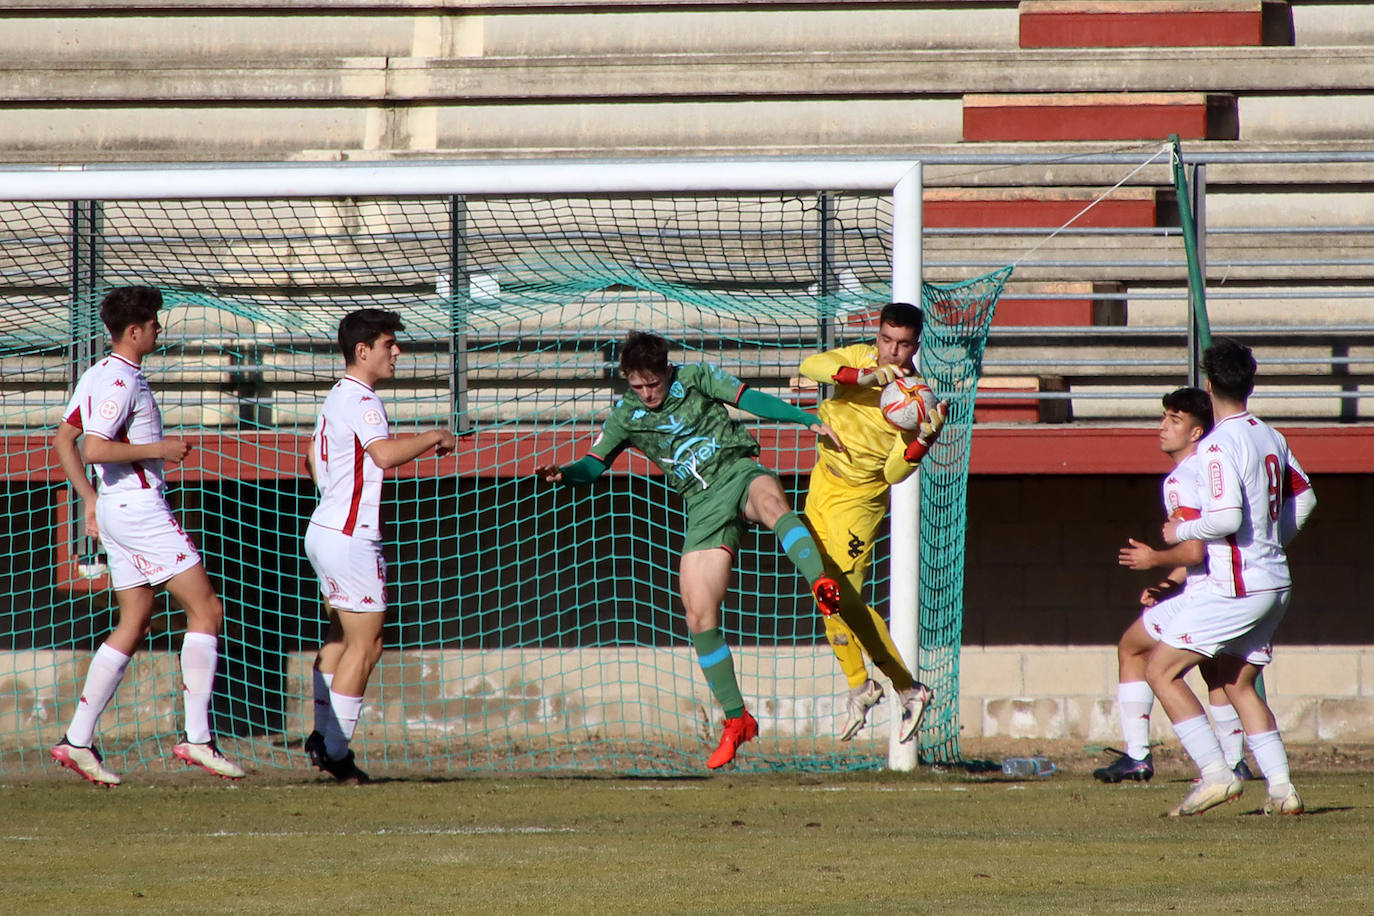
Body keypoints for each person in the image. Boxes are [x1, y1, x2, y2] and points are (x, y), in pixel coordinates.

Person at [535, 331, 845, 769]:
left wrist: (804, 418)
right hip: (702, 507)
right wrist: (564, 474)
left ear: (667, 371)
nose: (645, 394)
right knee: (698, 613)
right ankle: (737, 720)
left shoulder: (697, 377)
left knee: (773, 505)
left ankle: (820, 583)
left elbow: (749, 398)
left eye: (652, 385)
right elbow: (593, 465)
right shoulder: (626, 416)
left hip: (738, 471)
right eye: (636, 386)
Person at [50, 285, 244, 785]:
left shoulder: (97, 373)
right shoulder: (120, 380)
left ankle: (77, 739)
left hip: (117, 510)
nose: (160, 328)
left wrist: (91, 501)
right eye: (155, 322)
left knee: (135, 620)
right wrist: (163, 447)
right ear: (133, 332)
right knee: (206, 610)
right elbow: (92, 448)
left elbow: (63, 439)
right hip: (140, 511)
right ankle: (197, 738)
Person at [1145, 338, 1316, 817]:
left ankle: (1217, 773)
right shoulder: (1271, 435)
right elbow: (1307, 498)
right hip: (1275, 581)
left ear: (1210, 384)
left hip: (1239, 586)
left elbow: (1223, 519)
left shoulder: (1219, 442)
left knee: (1160, 669)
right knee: (1238, 683)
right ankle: (1282, 790)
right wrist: (1271, 539)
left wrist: (1182, 528)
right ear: (1251, 383)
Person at [303, 308, 455, 783]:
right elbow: (383, 455)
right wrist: (433, 436)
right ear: (362, 350)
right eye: (390, 344)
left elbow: (310, 457)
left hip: (324, 530)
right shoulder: (365, 400)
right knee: (368, 645)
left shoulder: (335, 396)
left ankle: (321, 736)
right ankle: (336, 752)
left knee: (341, 638)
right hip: (350, 538)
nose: (398, 353)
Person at [796, 302, 941, 743]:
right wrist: (860, 377)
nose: (892, 352)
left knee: (837, 597)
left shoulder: (916, 399)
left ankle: (906, 687)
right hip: (821, 485)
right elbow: (812, 364)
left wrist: (922, 442)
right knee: (825, 597)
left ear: (916, 345)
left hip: (856, 505)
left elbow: (894, 473)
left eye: (903, 345)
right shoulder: (861, 359)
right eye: (886, 340)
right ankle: (861, 685)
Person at [1096, 387, 1253, 783]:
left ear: (1197, 433)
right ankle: (1235, 759)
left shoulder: (1182, 479)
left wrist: (1154, 560)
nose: (1163, 426)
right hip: (1238, 587)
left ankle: (1139, 756)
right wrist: (1167, 582)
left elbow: (1195, 550)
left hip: (1209, 594)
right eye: (1164, 416)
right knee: (1220, 673)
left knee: (1133, 649)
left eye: (1175, 420)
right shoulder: (1220, 465)